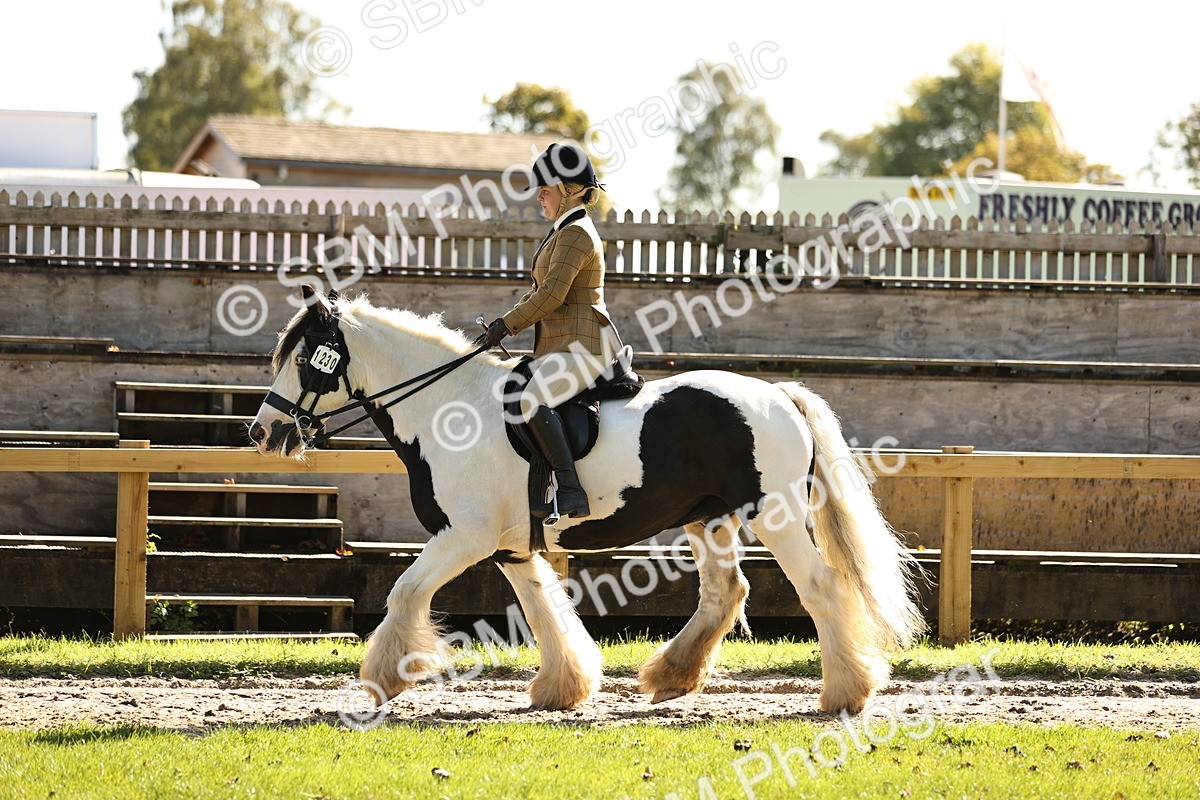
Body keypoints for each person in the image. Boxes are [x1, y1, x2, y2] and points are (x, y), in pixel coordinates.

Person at [476, 142, 622, 519]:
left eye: (546, 189)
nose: (540, 196)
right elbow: (540, 292)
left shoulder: (576, 233)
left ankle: (571, 490)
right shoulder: (562, 231)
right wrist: (502, 324)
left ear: (570, 190)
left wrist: (507, 325)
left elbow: (553, 294)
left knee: (532, 400)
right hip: (560, 347)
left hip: (583, 348)